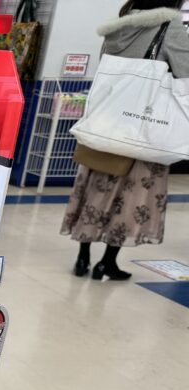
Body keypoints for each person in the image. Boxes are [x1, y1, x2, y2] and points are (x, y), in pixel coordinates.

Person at [61, 1, 189, 280]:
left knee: (96, 188)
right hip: (144, 129)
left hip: (107, 125)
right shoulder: (169, 26)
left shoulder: (119, 25)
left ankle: (83, 257)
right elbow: (186, 71)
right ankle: (107, 262)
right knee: (132, 197)